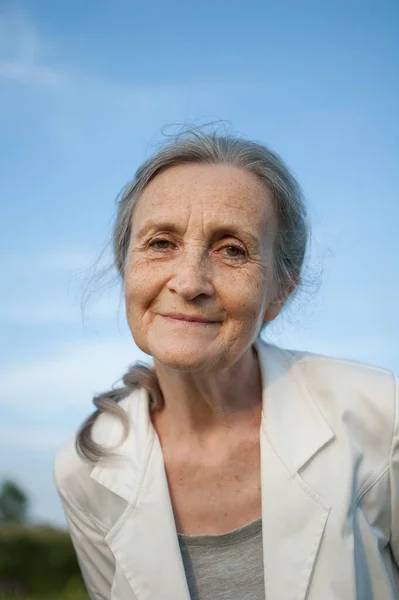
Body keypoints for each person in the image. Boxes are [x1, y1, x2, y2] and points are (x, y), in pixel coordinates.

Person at [54, 128, 399, 600]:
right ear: (126, 268)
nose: (190, 281)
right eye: (160, 243)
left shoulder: (382, 416)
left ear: (279, 291)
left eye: (232, 249)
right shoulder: (83, 470)